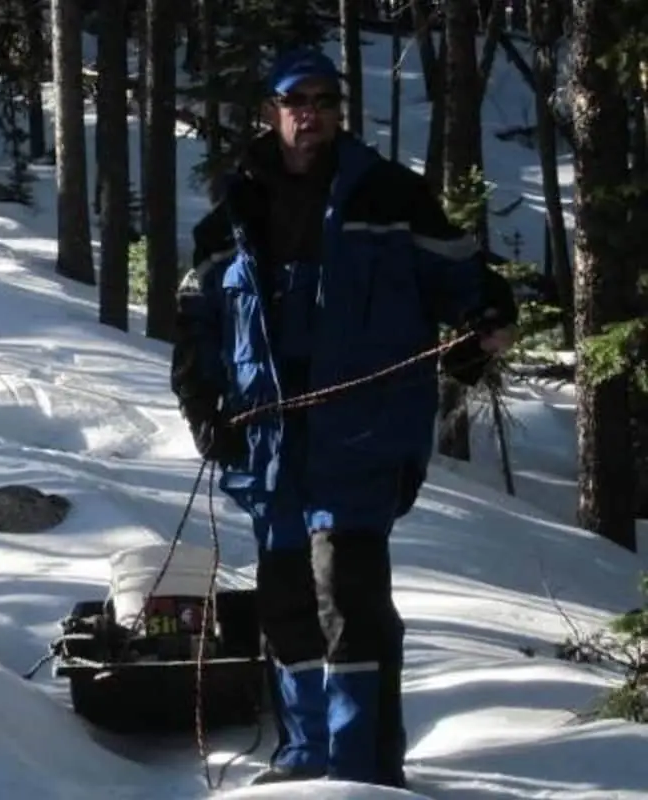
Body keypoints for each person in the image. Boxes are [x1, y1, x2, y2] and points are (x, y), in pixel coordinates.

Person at [169, 47, 518, 788]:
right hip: (268, 439)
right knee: (286, 600)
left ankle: (363, 770)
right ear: (272, 111)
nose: (311, 114)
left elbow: (460, 277)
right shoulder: (235, 209)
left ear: (337, 112)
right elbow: (195, 322)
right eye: (297, 101)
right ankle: (304, 760)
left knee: (348, 598)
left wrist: (484, 317)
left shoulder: (391, 196)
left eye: (325, 101)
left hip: (361, 434)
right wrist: (204, 408)